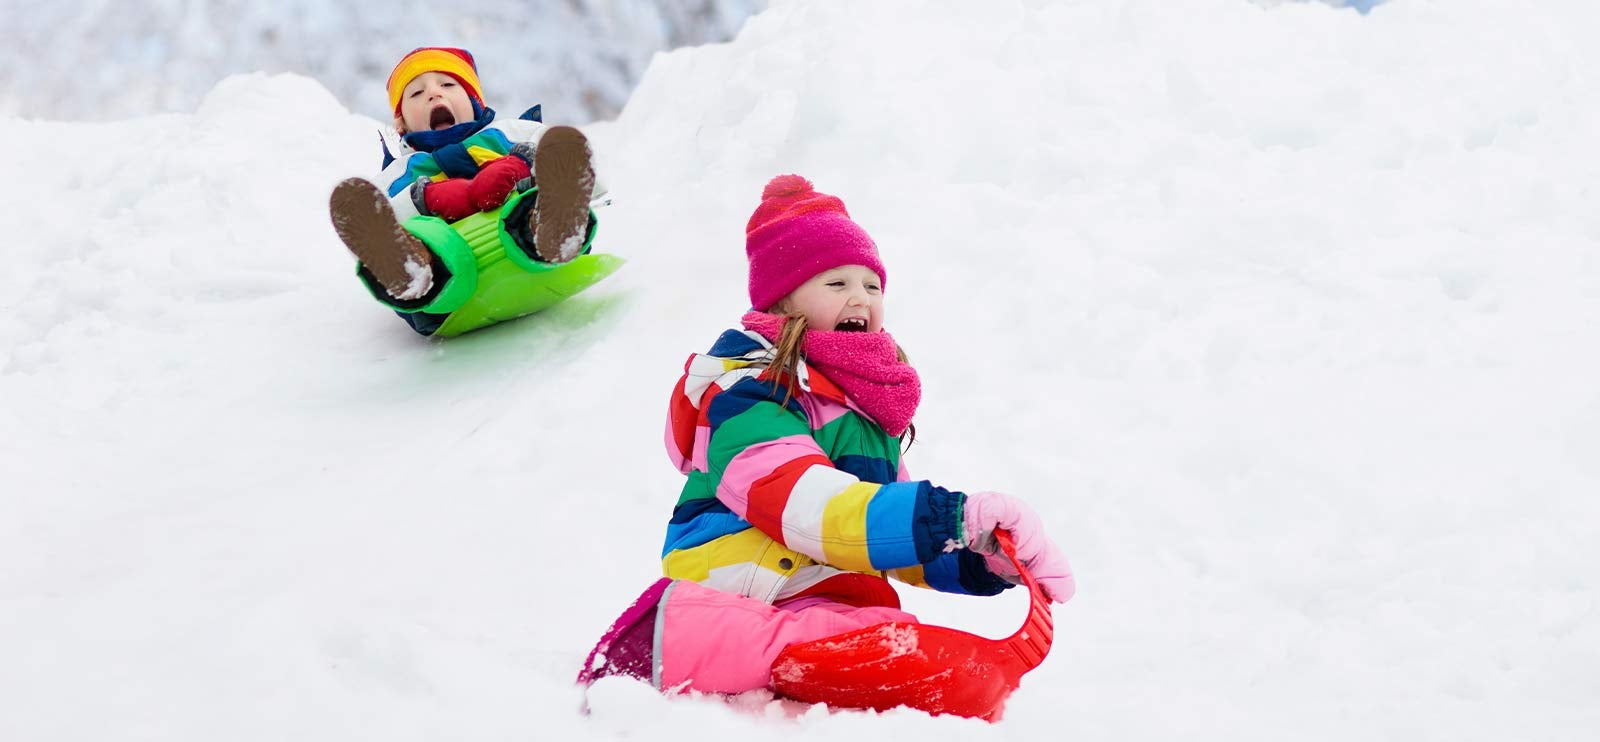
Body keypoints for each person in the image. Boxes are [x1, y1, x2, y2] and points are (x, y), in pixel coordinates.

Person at [578, 175, 1074, 694]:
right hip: (749, 577)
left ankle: (835, 651)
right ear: (781, 305)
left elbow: (885, 537)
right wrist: (947, 514)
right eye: (836, 284)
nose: (860, 298)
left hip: (820, 587)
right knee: (874, 638)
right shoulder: (750, 393)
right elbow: (801, 501)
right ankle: (671, 634)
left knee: (881, 634)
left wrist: (982, 553)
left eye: (872, 285)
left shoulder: (865, 409)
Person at [328, 46, 609, 336]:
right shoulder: (402, 172)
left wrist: (521, 165)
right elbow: (370, 237)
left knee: (530, 199)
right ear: (400, 123)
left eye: (449, 85)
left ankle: (554, 230)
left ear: (473, 99)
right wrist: (426, 199)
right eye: (416, 94)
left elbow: (585, 174)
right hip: (446, 291)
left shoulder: (511, 133)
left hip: (532, 242)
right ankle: (412, 271)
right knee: (427, 239)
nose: (435, 94)